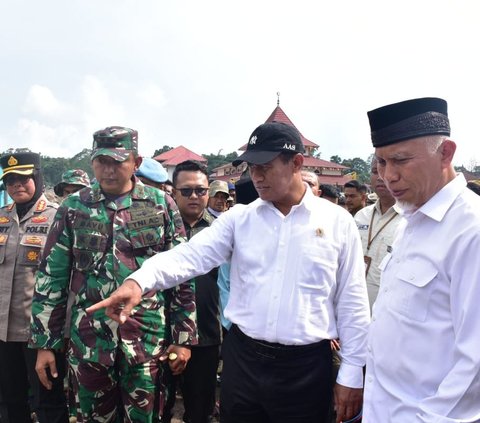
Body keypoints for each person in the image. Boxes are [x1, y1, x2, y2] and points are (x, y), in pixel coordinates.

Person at [88, 121, 370, 423]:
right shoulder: (240, 220)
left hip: (305, 367)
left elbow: (352, 302)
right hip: (245, 360)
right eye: (251, 167)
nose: (255, 177)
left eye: (265, 167)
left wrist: (352, 373)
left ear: (297, 163)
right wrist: (138, 281)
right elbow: (189, 256)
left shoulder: (338, 223)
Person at [29, 126, 197, 422]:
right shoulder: (73, 208)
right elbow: (51, 278)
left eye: (117, 161)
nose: (108, 170)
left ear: (136, 162)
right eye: (100, 161)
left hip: (147, 342)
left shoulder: (161, 205)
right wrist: (45, 344)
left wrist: (182, 337)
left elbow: (181, 272)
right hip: (89, 343)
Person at [362, 97, 480, 421]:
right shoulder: (411, 221)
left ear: (446, 153)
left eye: (400, 160)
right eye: (381, 163)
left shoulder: (470, 230)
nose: (388, 176)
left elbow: (475, 365)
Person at [0, 151, 69, 423]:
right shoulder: (1, 218)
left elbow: (66, 279)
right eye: (11, 180)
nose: (17, 185)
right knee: (8, 402)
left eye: (24, 178)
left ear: (38, 178)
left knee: (48, 403)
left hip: (40, 333)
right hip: (3, 332)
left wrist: (56, 337)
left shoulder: (58, 218)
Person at [163, 160, 222, 423]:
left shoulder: (221, 230)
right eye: (186, 191)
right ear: (173, 192)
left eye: (200, 190)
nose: (194, 196)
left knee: (200, 411)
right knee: (157, 407)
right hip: (161, 332)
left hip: (206, 335)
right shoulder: (158, 229)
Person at [354, 157, 401, 312]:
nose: (381, 177)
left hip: (388, 313)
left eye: (387, 171)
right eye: (375, 171)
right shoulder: (361, 216)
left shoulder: (410, 220)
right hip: (354, 310)